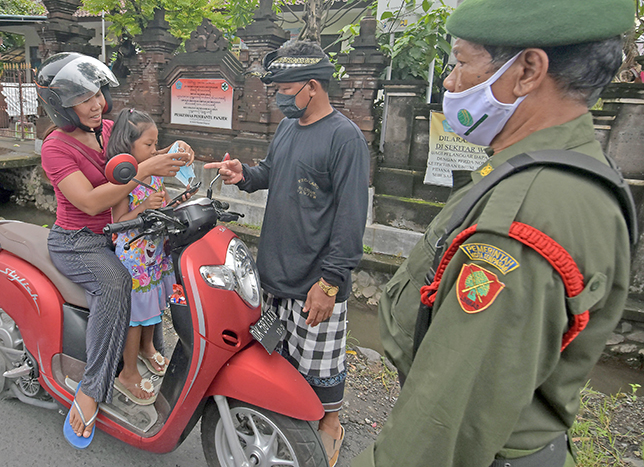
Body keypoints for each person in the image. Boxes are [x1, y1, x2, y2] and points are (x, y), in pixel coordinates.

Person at [354, 1, 636, 466]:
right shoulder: (554, 170)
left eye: (462, 62)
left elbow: (442, 425)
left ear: (527, 70)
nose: (449, 80)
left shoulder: (525, 215)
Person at [205, 41, 370, 467]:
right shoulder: (287, 129)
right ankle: (286, 423)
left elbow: (351, 220)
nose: (277, 98)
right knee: (277, 360)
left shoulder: (344, 138)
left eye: (283, 89)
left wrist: (330, 283)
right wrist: (245, 175)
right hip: (274, 269)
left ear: (312, 86)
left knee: (320, 368)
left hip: (315, 280)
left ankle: (330, 425)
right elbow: (272, 173)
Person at [36, 52, 194, 448]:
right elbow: (89, 203)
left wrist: (175, 153)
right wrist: (144, 171)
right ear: (59, 105)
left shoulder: (106, 130)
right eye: (83, 98)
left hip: (121, 230)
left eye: (97, 93)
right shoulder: (55, 148)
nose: (96, 104)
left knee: (158, 271)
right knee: (117, 284)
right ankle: (94, 387)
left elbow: (143, 151)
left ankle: (147, 347)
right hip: (78, 240)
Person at [106, 108, 180, 405]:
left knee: (155, 305)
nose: (154, 150)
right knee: (136, 315)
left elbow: (159, 204)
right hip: (134, 255)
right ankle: (128, 372)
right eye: (148, 145)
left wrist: (174, 202)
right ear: (128, 145)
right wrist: (144, 207)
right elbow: (119, 220)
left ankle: (148, 348)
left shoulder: (153, 170)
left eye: (155, 144)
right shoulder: (124, 178)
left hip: (155, 252)